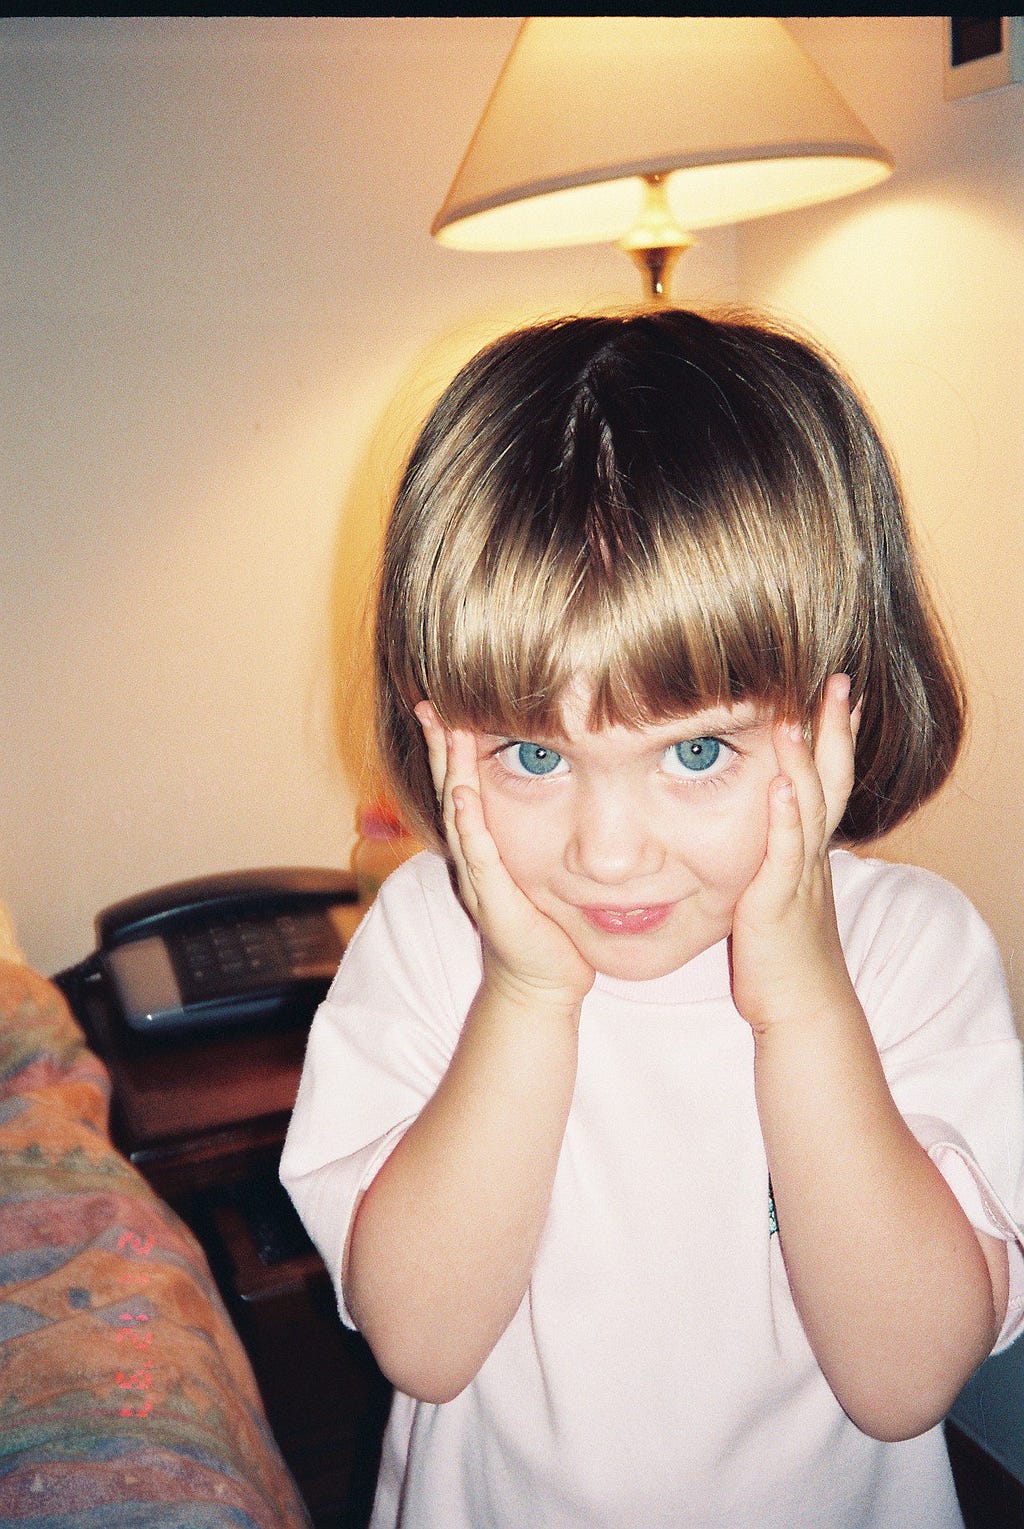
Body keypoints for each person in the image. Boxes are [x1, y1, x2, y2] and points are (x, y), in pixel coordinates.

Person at [280, 308, 1024, 1529]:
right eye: (531, 750)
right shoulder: (428, 939)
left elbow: (901, 1383)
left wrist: (798, 999)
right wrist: (526, 996)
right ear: (434, 728)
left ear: (837, 713)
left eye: (693, 748)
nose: (607, 851)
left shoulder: (909, 951)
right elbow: (419, 1340)